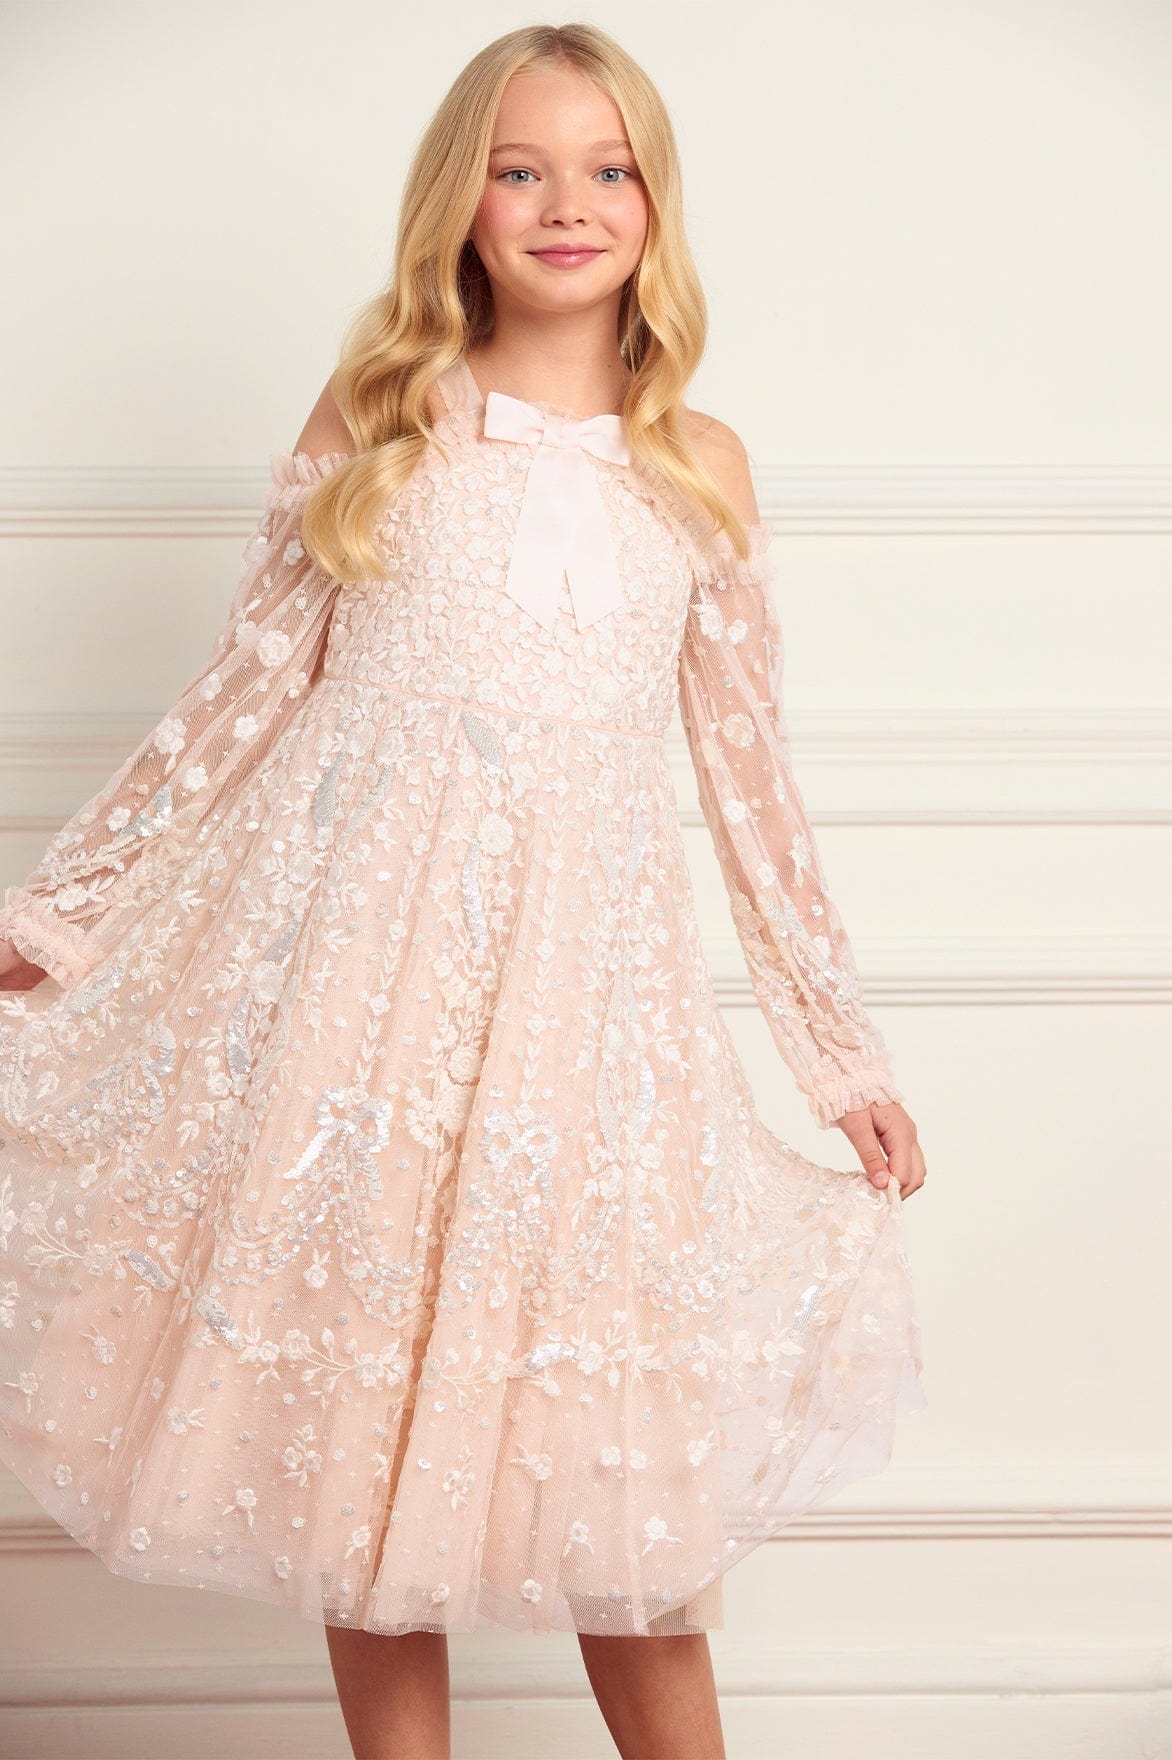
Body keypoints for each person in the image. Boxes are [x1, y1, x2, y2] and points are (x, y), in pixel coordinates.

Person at [0, 22, 928, 1760]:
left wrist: (838, 1054)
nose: (567, 203)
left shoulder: (701, 465)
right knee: (361, 1448)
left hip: (587, 1021)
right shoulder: (381, 418)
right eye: (521, 168)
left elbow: (752, 787)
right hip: (364, 1002)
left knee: (622, 1479)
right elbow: (240, 693)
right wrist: (63, 914)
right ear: (462, 203)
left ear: (655, 201)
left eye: (607, 168)